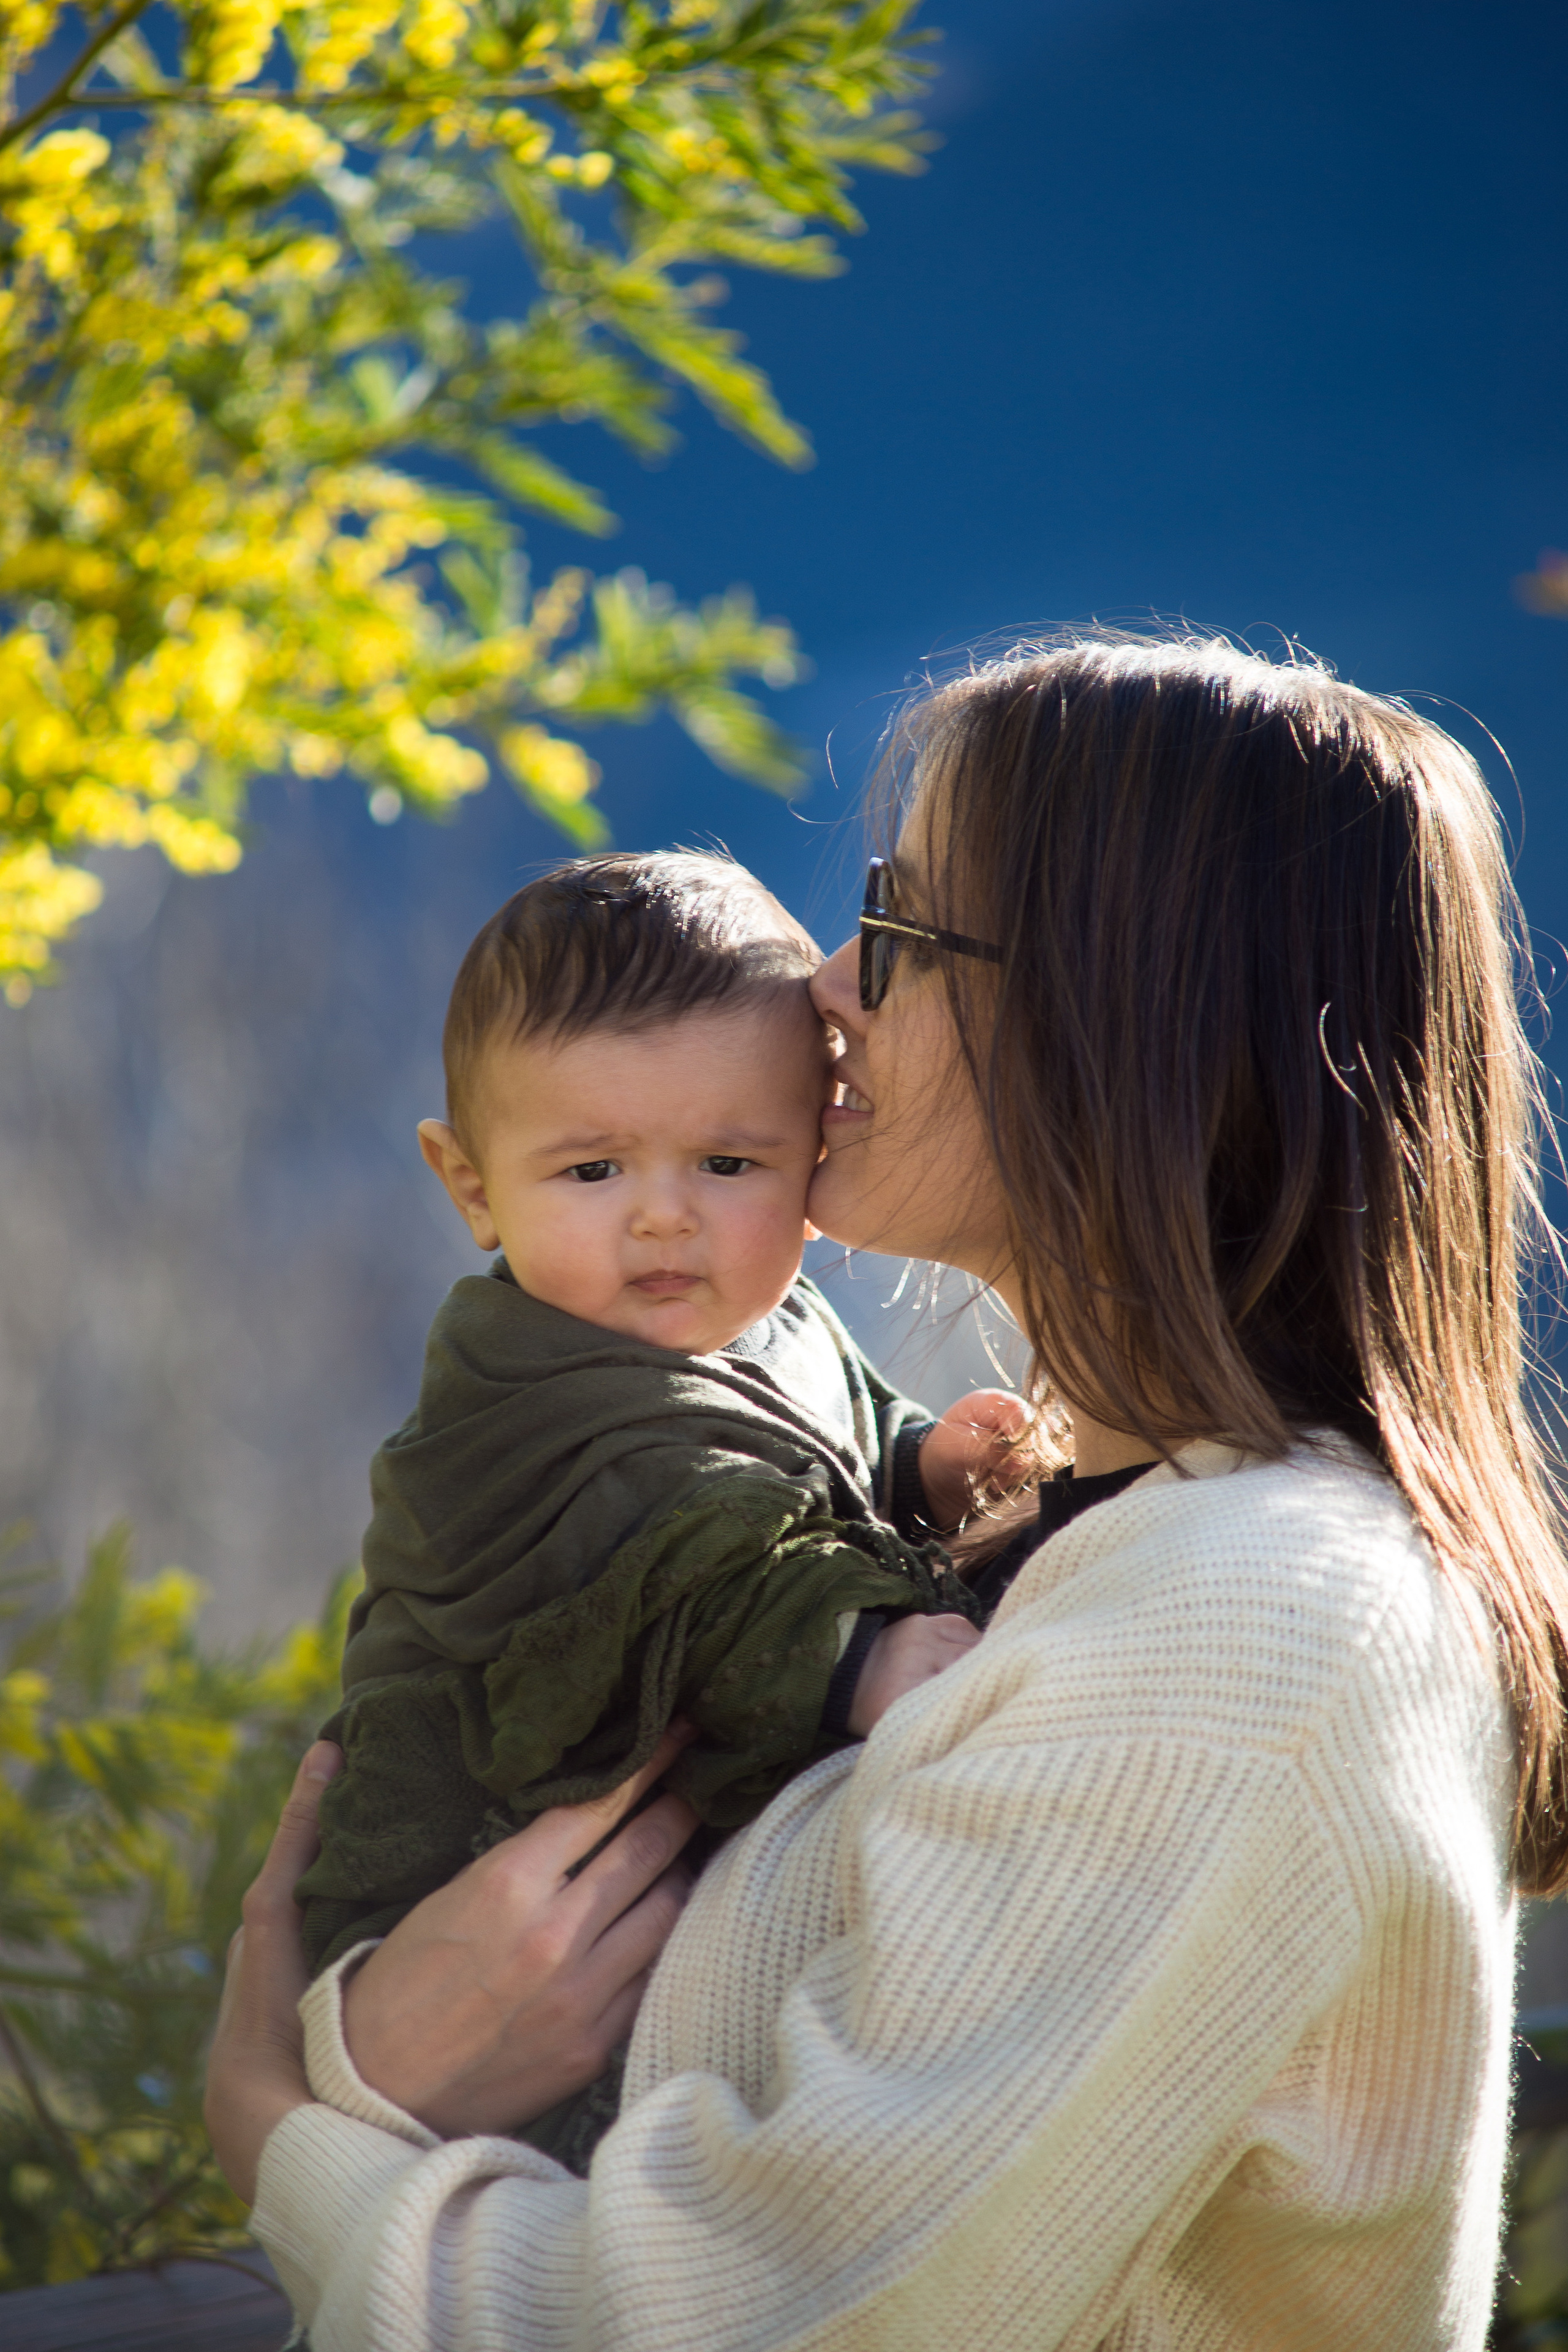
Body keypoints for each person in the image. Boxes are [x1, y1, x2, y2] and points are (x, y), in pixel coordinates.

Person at [208, 633, 1568, 2351]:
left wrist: (299, 2133)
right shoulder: (1101, 1526)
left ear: (1119, 1023)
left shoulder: (1252, 1637)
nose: (826, 988)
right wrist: (398, 2059)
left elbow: (760, 2322)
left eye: (905, 934)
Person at [295, 850, 1014, 2167]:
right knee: (572, 2153)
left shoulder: (768, 1318)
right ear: (470, 1188)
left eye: (730, 1162)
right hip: (466, 1871)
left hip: (632, 1897)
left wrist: (920, 1468)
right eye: (591, 1173)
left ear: (813, 1145)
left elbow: (828, 1436)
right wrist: (853, 1648)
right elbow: (692, 1547)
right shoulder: (515, 1400)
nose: (664, 1221)